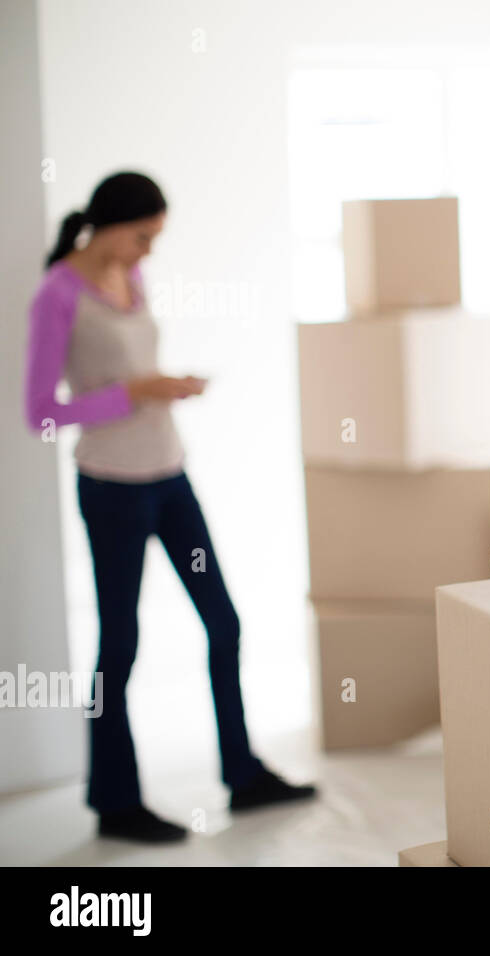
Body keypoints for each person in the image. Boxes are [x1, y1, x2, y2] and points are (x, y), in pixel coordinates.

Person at [25, 171, 316, 844]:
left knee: (224, 621)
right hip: (112, 489)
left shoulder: (134, 278)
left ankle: (243, 777)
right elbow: (40, 413)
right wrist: (134, 390)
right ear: (110, 224)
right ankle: (115, 803)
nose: (149, 253)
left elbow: (132, 370)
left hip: (170, 476)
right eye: (144, 237)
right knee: (120, 646)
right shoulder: (56, 295)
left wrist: (165, 387)